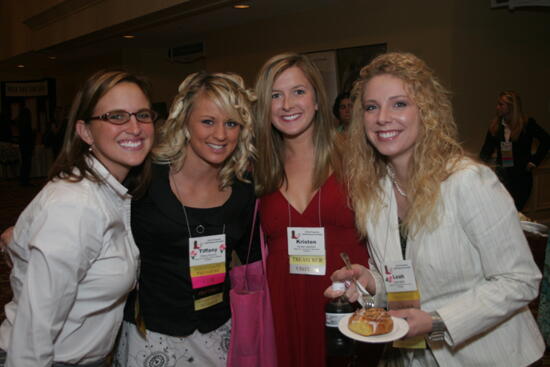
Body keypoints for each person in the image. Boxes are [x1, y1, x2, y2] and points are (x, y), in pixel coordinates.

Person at [325, 52, 545, 366]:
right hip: (414, 356)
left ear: (426, 111)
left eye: (399, 103)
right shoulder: (373, 192)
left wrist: (438, 321)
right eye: (371, 107)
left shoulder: (467, 181)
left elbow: (520, 280)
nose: (382, 117)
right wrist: (372, 281)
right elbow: (404, 279)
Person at [0, 70, 155, 366]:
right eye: (117, 116)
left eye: (143, 115)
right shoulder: (76, 204)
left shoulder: (110, 191)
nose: (135, 127)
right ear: (85, 131)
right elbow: (34, 333)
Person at [114, 71, 260, 367]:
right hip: (150, 334)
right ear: (184, 122)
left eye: (231, 123)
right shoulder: (143, 177)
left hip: (217, 332)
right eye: (208, 121)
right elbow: (90, 207)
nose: (220, 135)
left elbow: (255, 258)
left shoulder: (245, 191)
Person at [254, 52, 374, 367]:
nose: (287, 104)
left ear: (318, 100)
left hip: (347, 307)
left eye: (298, 91)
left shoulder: (356, 160)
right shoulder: (258, 172)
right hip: (284, 309)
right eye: (275, 95)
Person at [480, 90, 549, 211]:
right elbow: (486, 151)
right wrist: (478, 169)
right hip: (502, 177)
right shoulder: (495, 126)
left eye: (501, 104)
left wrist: (534, 161)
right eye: (498, 104)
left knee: (516, 212)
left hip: (521, 177)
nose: (498, 107)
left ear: (512, 107)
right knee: (502, 211)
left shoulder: (527, 124)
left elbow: (547, 140)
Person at [16, 106, 34, 186]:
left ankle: (24, 180)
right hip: (27, 146)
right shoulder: (26, 124)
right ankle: (25, 181)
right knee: (26, 164)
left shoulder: (21, 123)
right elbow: (29, 137)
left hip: (23, 146)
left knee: (24, 163)